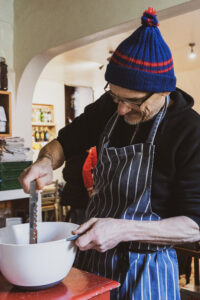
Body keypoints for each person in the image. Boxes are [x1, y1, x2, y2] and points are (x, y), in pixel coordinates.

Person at [19, 7, 200, 299]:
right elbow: (65, 142)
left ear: (163, 92)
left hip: (148, 271)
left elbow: (194, 225)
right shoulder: (109, 108)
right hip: (92, 261)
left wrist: (123, 230)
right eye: (115, 96)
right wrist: (44, 162)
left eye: (132, 101)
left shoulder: (189, 131)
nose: (121, 109)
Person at [60, 151, 90, 224]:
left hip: (71, 195)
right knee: (81, 222)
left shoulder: (71, 157)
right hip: (82, 195)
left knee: (74, 220)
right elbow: (88, 175)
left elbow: (65, 175)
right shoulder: (87, 157)